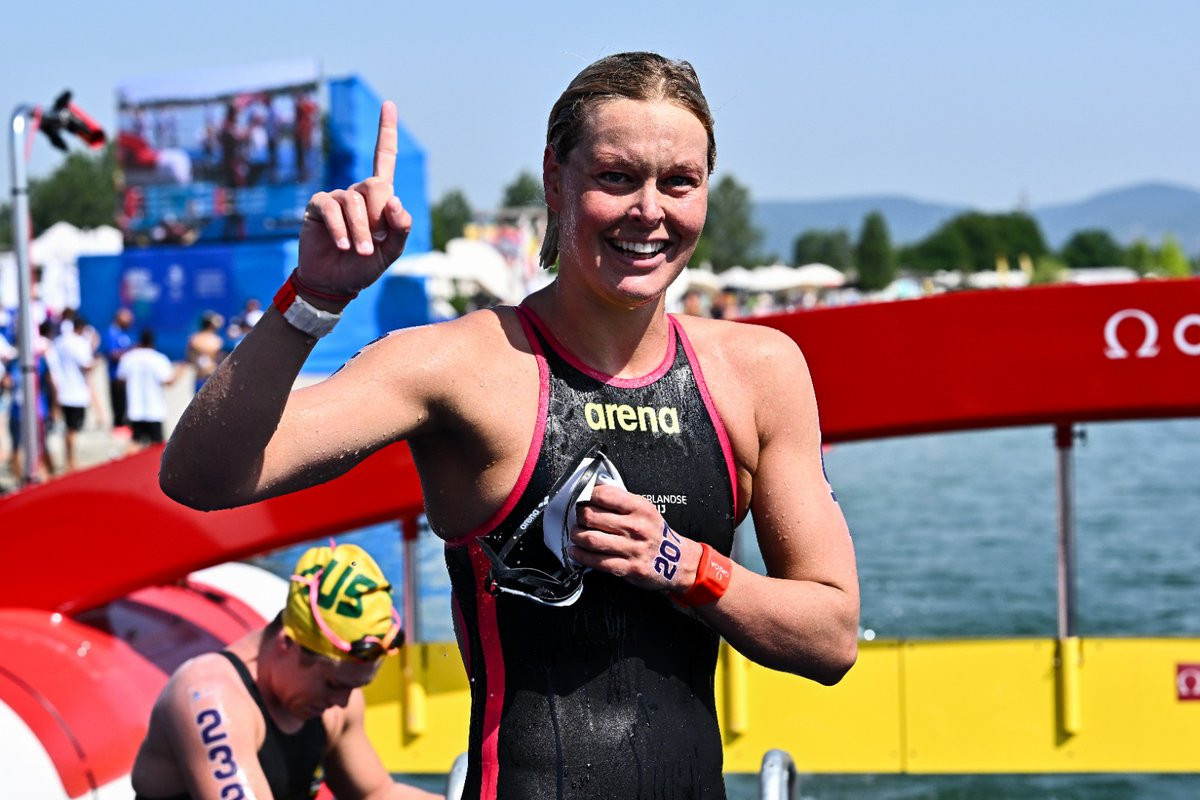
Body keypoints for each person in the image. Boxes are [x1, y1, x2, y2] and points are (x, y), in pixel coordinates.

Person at [162, 52, 859, 800]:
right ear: (555, 180)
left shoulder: (760, 372)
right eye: (617, 177)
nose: (649, 211)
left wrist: (688, 568)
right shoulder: (459, 366)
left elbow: (831, 635)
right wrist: (312, 300)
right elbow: (202, 478)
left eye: (679, 182)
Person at [130, 542, 440, 800]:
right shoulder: (208, 697)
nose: (344, 701)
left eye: (353, 687)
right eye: (333, 684)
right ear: (287, 643)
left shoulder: (336, 707)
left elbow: (378, 794)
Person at [117, 329, 180, 451]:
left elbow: (120, 380)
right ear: (152, 342)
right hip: (154, 409)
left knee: (135, 442)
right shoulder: (159, 359)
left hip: (135, 408)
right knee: (156, 447)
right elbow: (168, 381)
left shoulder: (129, 358)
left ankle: (130, 469)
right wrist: (180, 371)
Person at [103, 308, 136, 434]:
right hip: (116, 376)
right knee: (118, 405)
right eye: (127, 318)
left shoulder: (124, 334)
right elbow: (112, 354)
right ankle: (118, 428)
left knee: (126, 405)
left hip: (126, 377)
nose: (130, 322)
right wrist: (130, 351)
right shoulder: (112, 333)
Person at [186, 312, 225, 393]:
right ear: (211, 325)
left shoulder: (194, 339)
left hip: (200, 376)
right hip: (212, 376)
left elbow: (189, 358)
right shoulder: (216, 340)